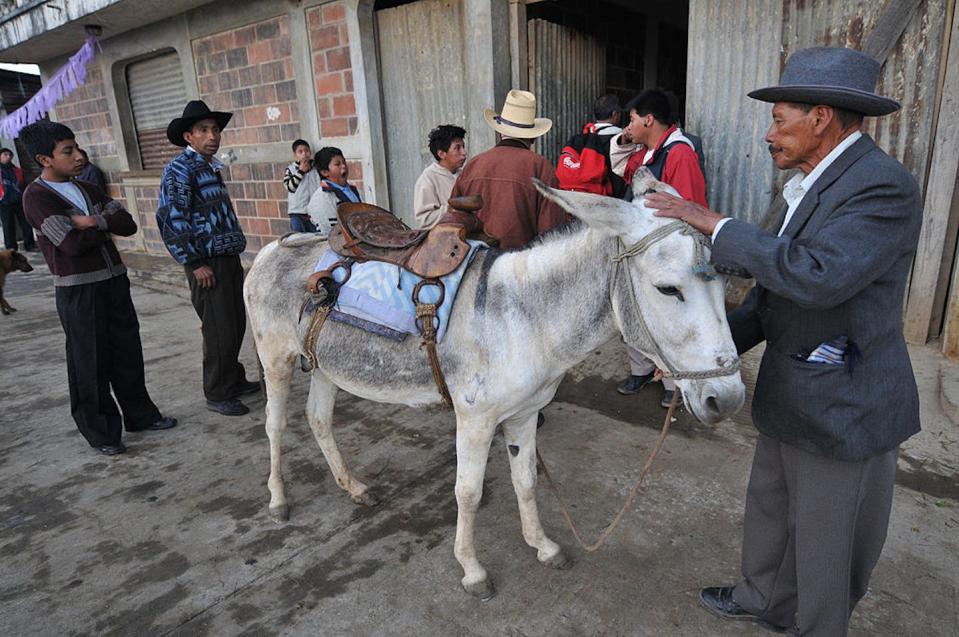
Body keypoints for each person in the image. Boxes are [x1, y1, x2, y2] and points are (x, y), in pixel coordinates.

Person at [648, 47, 922, 636]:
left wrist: (712, 223)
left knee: (828, 542)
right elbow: (774, 299)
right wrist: (702, 361)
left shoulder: (882, 186)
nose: (769, 133)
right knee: (770, 510)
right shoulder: (813, 183)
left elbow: (815, 276)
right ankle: (763, 600)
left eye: (779, 119)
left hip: (845, 403)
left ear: (820, 118)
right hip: (793, 388)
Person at [20, 120, 177, 456]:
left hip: (114, 282)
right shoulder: (35, 197)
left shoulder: (88, 188)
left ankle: (140, 415)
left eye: (77, 147)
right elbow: (70, 245)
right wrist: (105, 224)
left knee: (127, 353)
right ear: (44, 159)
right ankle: (103, 433)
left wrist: (91, 221)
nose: (79, 155)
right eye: (68, 151)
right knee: (89, 362)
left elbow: (128, 223)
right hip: (79, 291)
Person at [156, 100, 259, 417]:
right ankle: (217, 392)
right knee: (218, 328)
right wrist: (194, 262)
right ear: (188, 136)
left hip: (226, 258)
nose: (212, 135)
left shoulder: (209, 167)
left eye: (215, 129)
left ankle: (233, 378)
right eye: (203, 130)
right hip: (206, 263)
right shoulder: (179, 171)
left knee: (235, 322)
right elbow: (171, 219)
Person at [610, 88, 707, 407]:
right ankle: (641, 369)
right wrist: (625, 140)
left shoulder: (680, 153)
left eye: (633, 119)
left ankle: (672, 383)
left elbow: (690, 209)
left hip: (666, 255)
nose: (629, 125)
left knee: (668, 315)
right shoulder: (648, 152)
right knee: (635, 310)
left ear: (649, 119)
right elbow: (623, 170)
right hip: (643, 251)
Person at [449, 89, 566, 249]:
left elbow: (454, 221)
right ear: (533, 137)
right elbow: (552, 235)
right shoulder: (542, 168)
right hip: (520, 267)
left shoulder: (472, 166)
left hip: (476, 266)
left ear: (499, 132)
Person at [413, 124, 467, 228]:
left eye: (463, 147)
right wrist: (452, 209)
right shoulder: (428, 179)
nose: (464, 153)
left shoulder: (465, 174)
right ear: (442, 154)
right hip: (446, 241)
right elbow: (424, 219)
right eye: (457, 148)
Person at [306, 146, 361, 236]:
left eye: (344, 162)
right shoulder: (321, 198)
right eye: (337, 164)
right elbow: (329, 233)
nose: (344, 166)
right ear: (324, 172)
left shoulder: (355, 191)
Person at [0, 147, 37, 252]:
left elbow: (23, 184)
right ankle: (11, 248)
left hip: (19, 200)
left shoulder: (17, 170)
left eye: (9, 155)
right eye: (5, 155)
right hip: (4, 202)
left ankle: (30, 245)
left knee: (26, 223)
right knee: (8, 226)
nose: (8, 157)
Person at [285, 139, 316, 232]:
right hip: (297, 213)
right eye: (300, 151)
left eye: (306, 150)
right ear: (295, 155)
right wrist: (301, 171)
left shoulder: (316, 169)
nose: (304, 154)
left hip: (314, 213)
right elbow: (289, 187)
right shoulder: (291, 169)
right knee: (298, 240)